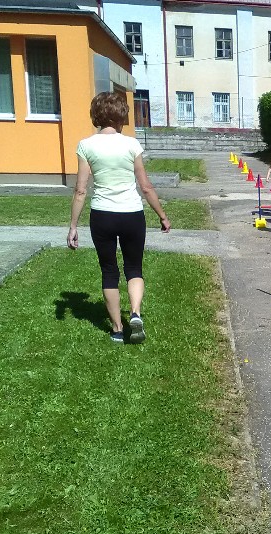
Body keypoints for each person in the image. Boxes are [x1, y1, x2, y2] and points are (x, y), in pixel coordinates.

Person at [67, 91, 170, 344]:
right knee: (134, 268)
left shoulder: (86, 145)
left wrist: (73, 226)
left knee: (109, 270)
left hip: (102, 215)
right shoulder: (131, 144)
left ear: (97, 115)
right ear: (121, 116)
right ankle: (135, 313)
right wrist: (162, 216)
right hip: (131, 214)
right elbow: (146, 187)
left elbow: (80, 190)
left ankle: (116, 329)